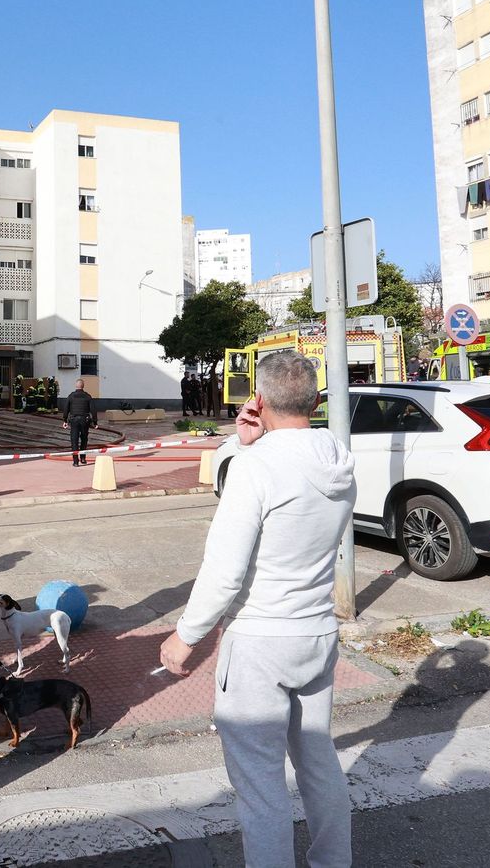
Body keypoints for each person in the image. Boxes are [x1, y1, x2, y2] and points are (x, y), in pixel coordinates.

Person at [158, 350, 356, 868]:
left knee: (261, 787)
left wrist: (185, 636)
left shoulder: (257, 468)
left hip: (259, 640)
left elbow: (225, 571)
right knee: (318, 764)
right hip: (316, 633)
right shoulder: (335, 456)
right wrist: (241, 444)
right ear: (314, 399)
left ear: (260, 399)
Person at [63, 379, 97, 467]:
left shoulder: (71, 396)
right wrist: (95, 422)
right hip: (84, 420)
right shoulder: (87, 396)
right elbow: (93, 410)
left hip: (74, 420)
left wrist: (64, 420)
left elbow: (66, 408)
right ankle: (83, 458)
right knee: (84, 439)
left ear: (76, 386)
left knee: (74, 440)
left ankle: (75, 461)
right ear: (83, 386)